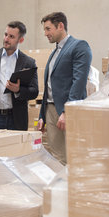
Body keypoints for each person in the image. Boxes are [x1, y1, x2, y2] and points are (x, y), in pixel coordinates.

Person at [37, 12, 92, 164]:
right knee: (57, 157)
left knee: (72, 157)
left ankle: (71, 186)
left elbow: (79, 81)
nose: (45, 33)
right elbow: (49, 85)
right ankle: (60, 186)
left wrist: (67, 111)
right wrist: (42, 115)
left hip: (66, 111)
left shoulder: (79, 46)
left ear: (60, 26)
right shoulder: (55, 52)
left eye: (48, 29)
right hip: (50, 110)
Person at [0, 21, 39, 131]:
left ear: (21, 40)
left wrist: (18, 90)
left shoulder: (29, 62)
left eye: (11, 36)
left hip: (16, 119)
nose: (6, 39)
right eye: (5, 35)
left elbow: (34, 91)